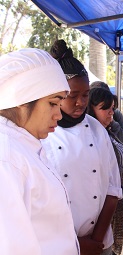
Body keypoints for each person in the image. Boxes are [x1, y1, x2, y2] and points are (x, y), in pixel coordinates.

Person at [41, 39, 122, 255]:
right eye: (72, 96)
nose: (80, 102)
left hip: (99, 242)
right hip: (59, 245)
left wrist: (95, 241)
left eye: (85, 95)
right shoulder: (42, 133)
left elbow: (113, 189)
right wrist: (74, 244)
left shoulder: (96, 129)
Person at [0, 48, 79, 255]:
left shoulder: (25, 144)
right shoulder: (7, 158)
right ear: (23, 100)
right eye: (53, 103)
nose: (59, 115)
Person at [87, 87, 123, 255]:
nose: (111, 112)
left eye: (113, 108)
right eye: (105, 108)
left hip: (120, 208)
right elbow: (107, 176)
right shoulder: (91, 137)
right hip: (108, 214)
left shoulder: (107, 130)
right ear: (91, 109)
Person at [90, 81, 123, 146]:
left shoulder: (116, 114)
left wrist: (112, 123)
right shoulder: (85, 127)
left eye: (111, 107)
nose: (111, 112)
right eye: (105, 107)